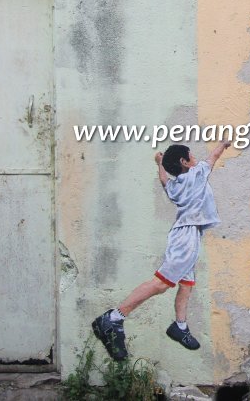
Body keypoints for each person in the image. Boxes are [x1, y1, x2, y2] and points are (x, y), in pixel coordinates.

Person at [92, 141, 230, 360]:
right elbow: (214, 156)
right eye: (191, 156)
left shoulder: (175, 186)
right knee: (161, 283)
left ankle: (180, 326)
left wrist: (159, 163)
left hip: (186, 234)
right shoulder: (197, 174)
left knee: (186, 285)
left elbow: (164, 180)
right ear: (185, 162)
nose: (195, 159)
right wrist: (224, 143)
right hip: (186, 238)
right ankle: (114, 317)